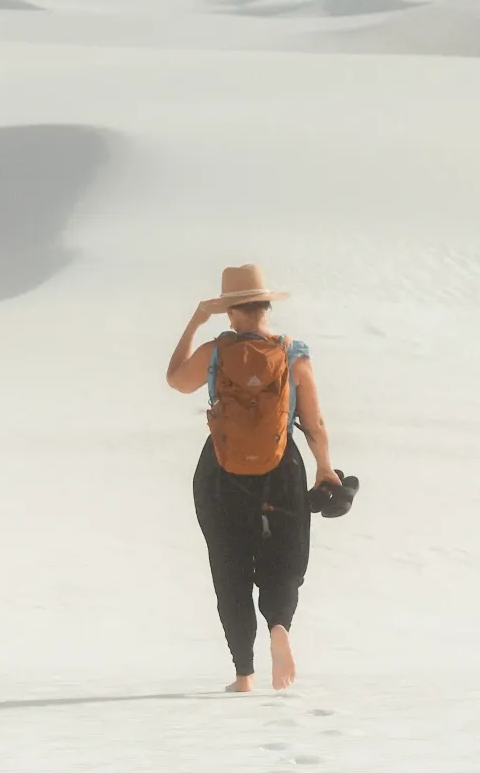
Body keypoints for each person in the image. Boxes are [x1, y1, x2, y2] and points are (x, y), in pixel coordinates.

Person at [165, 263, 340, 692]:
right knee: (285, 554)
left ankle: (244, 674)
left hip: (220, 469)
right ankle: (279, 625)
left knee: (230, 566)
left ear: (230, 312)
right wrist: (323, 466)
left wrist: (196, 320)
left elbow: (175, 381)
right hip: (282, 466)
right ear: (266, 307)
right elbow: (313, 421)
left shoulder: (216, 352)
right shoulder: (293, 354)